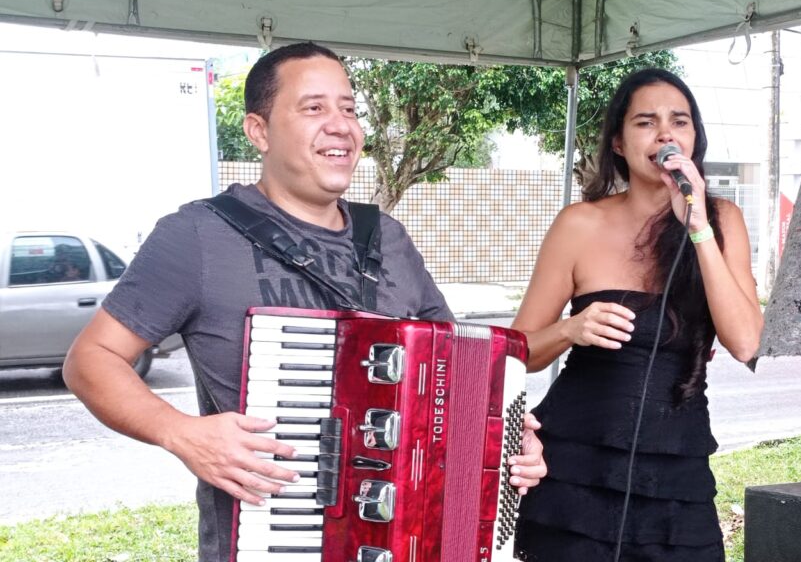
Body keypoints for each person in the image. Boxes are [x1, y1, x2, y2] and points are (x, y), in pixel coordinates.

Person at [63, 42, 546, 561]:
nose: (340, 125)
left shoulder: (388, 237)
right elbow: (91, 360)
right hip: (272, 543)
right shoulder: (197, 236)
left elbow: (463, 380)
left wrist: (508, 437)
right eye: (314, 108)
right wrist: (181, 433)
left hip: (404, 542)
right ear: (259, 131)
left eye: (349, 108)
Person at [512, 68, 763, 561]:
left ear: (694, 138)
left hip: (677, 468)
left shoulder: (722, 219)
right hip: (575, 465)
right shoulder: (580, 224)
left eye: (680, 121)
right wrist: (569, 329)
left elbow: (746, 341)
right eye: (647, 122)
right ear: (620, 144)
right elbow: (514, 353)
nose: (667, 133)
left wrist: (698, 228)